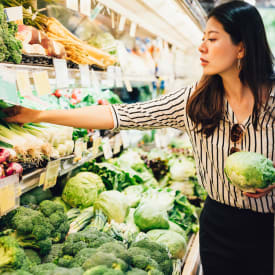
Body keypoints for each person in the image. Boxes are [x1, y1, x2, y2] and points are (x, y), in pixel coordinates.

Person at [4, 1, 275, 274]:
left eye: (213, 39)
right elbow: (120, 115)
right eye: (203, 38)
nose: (201, 47)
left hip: (269, 228)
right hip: (219, 225)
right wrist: (38, 115)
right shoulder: (194, 102)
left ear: (242, 47)